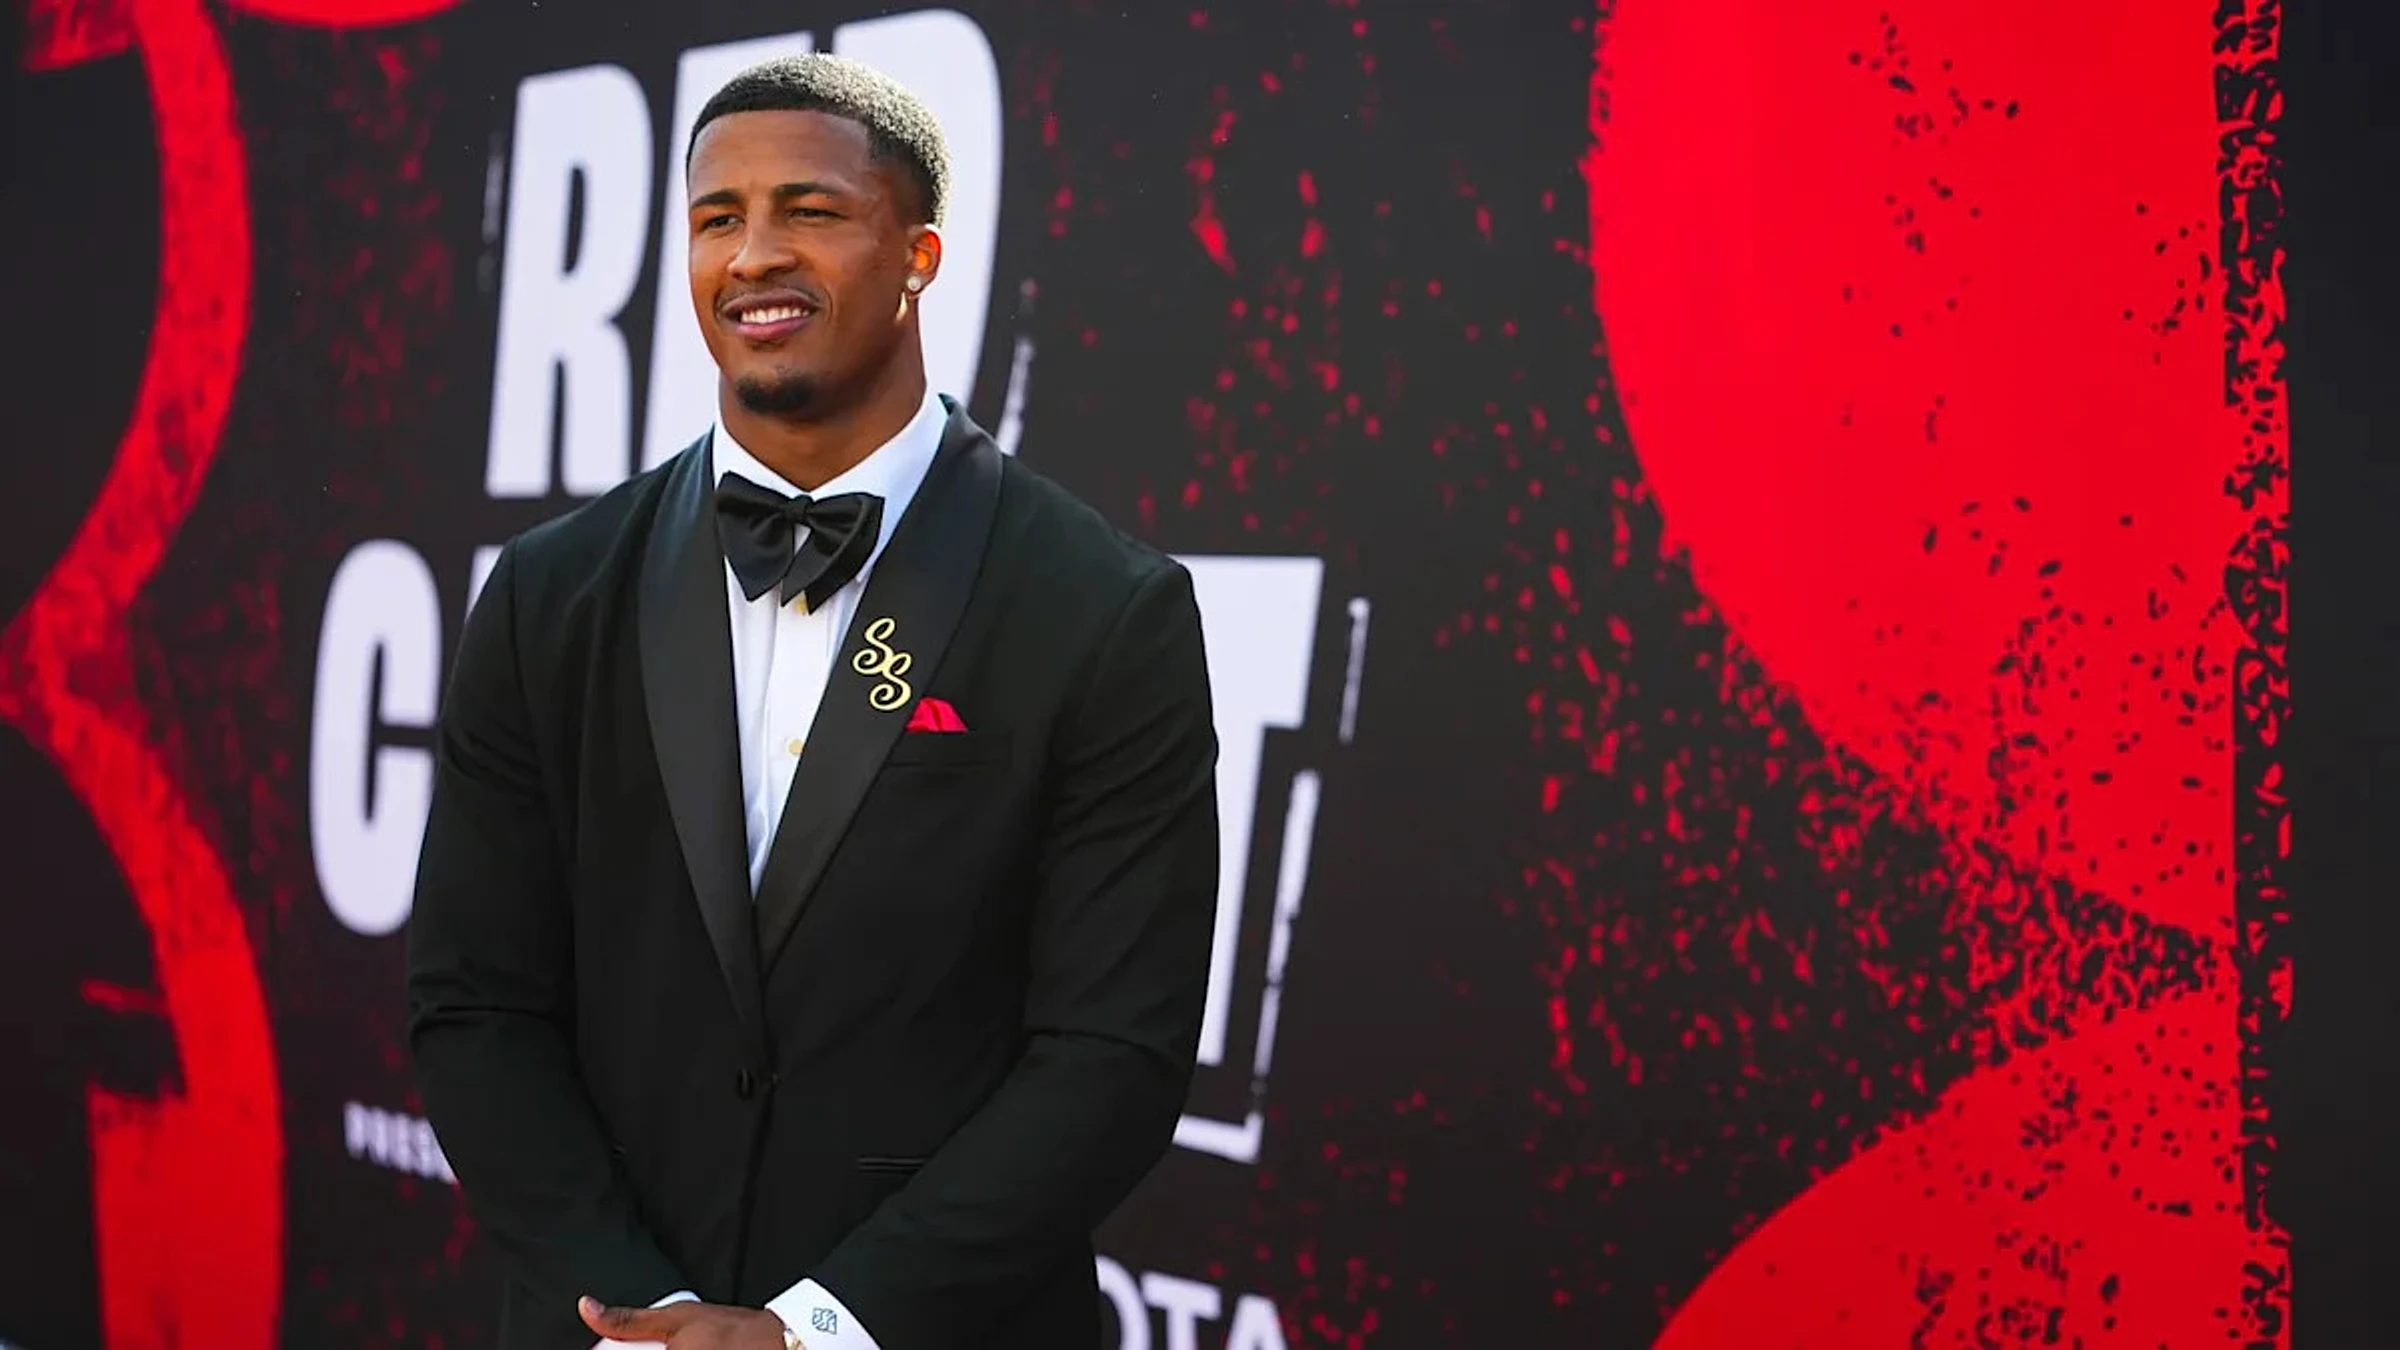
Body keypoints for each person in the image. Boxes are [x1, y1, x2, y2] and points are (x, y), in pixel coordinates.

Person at [405, 53, 1220, 1350]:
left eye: (812, 211)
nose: (753, 256)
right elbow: (474, 1001)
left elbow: (1112, 1052)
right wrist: (647, 1311)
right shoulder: (548, 592)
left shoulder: (1106, 611)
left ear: (920, 255)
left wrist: (823, 1329)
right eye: (717, 218)